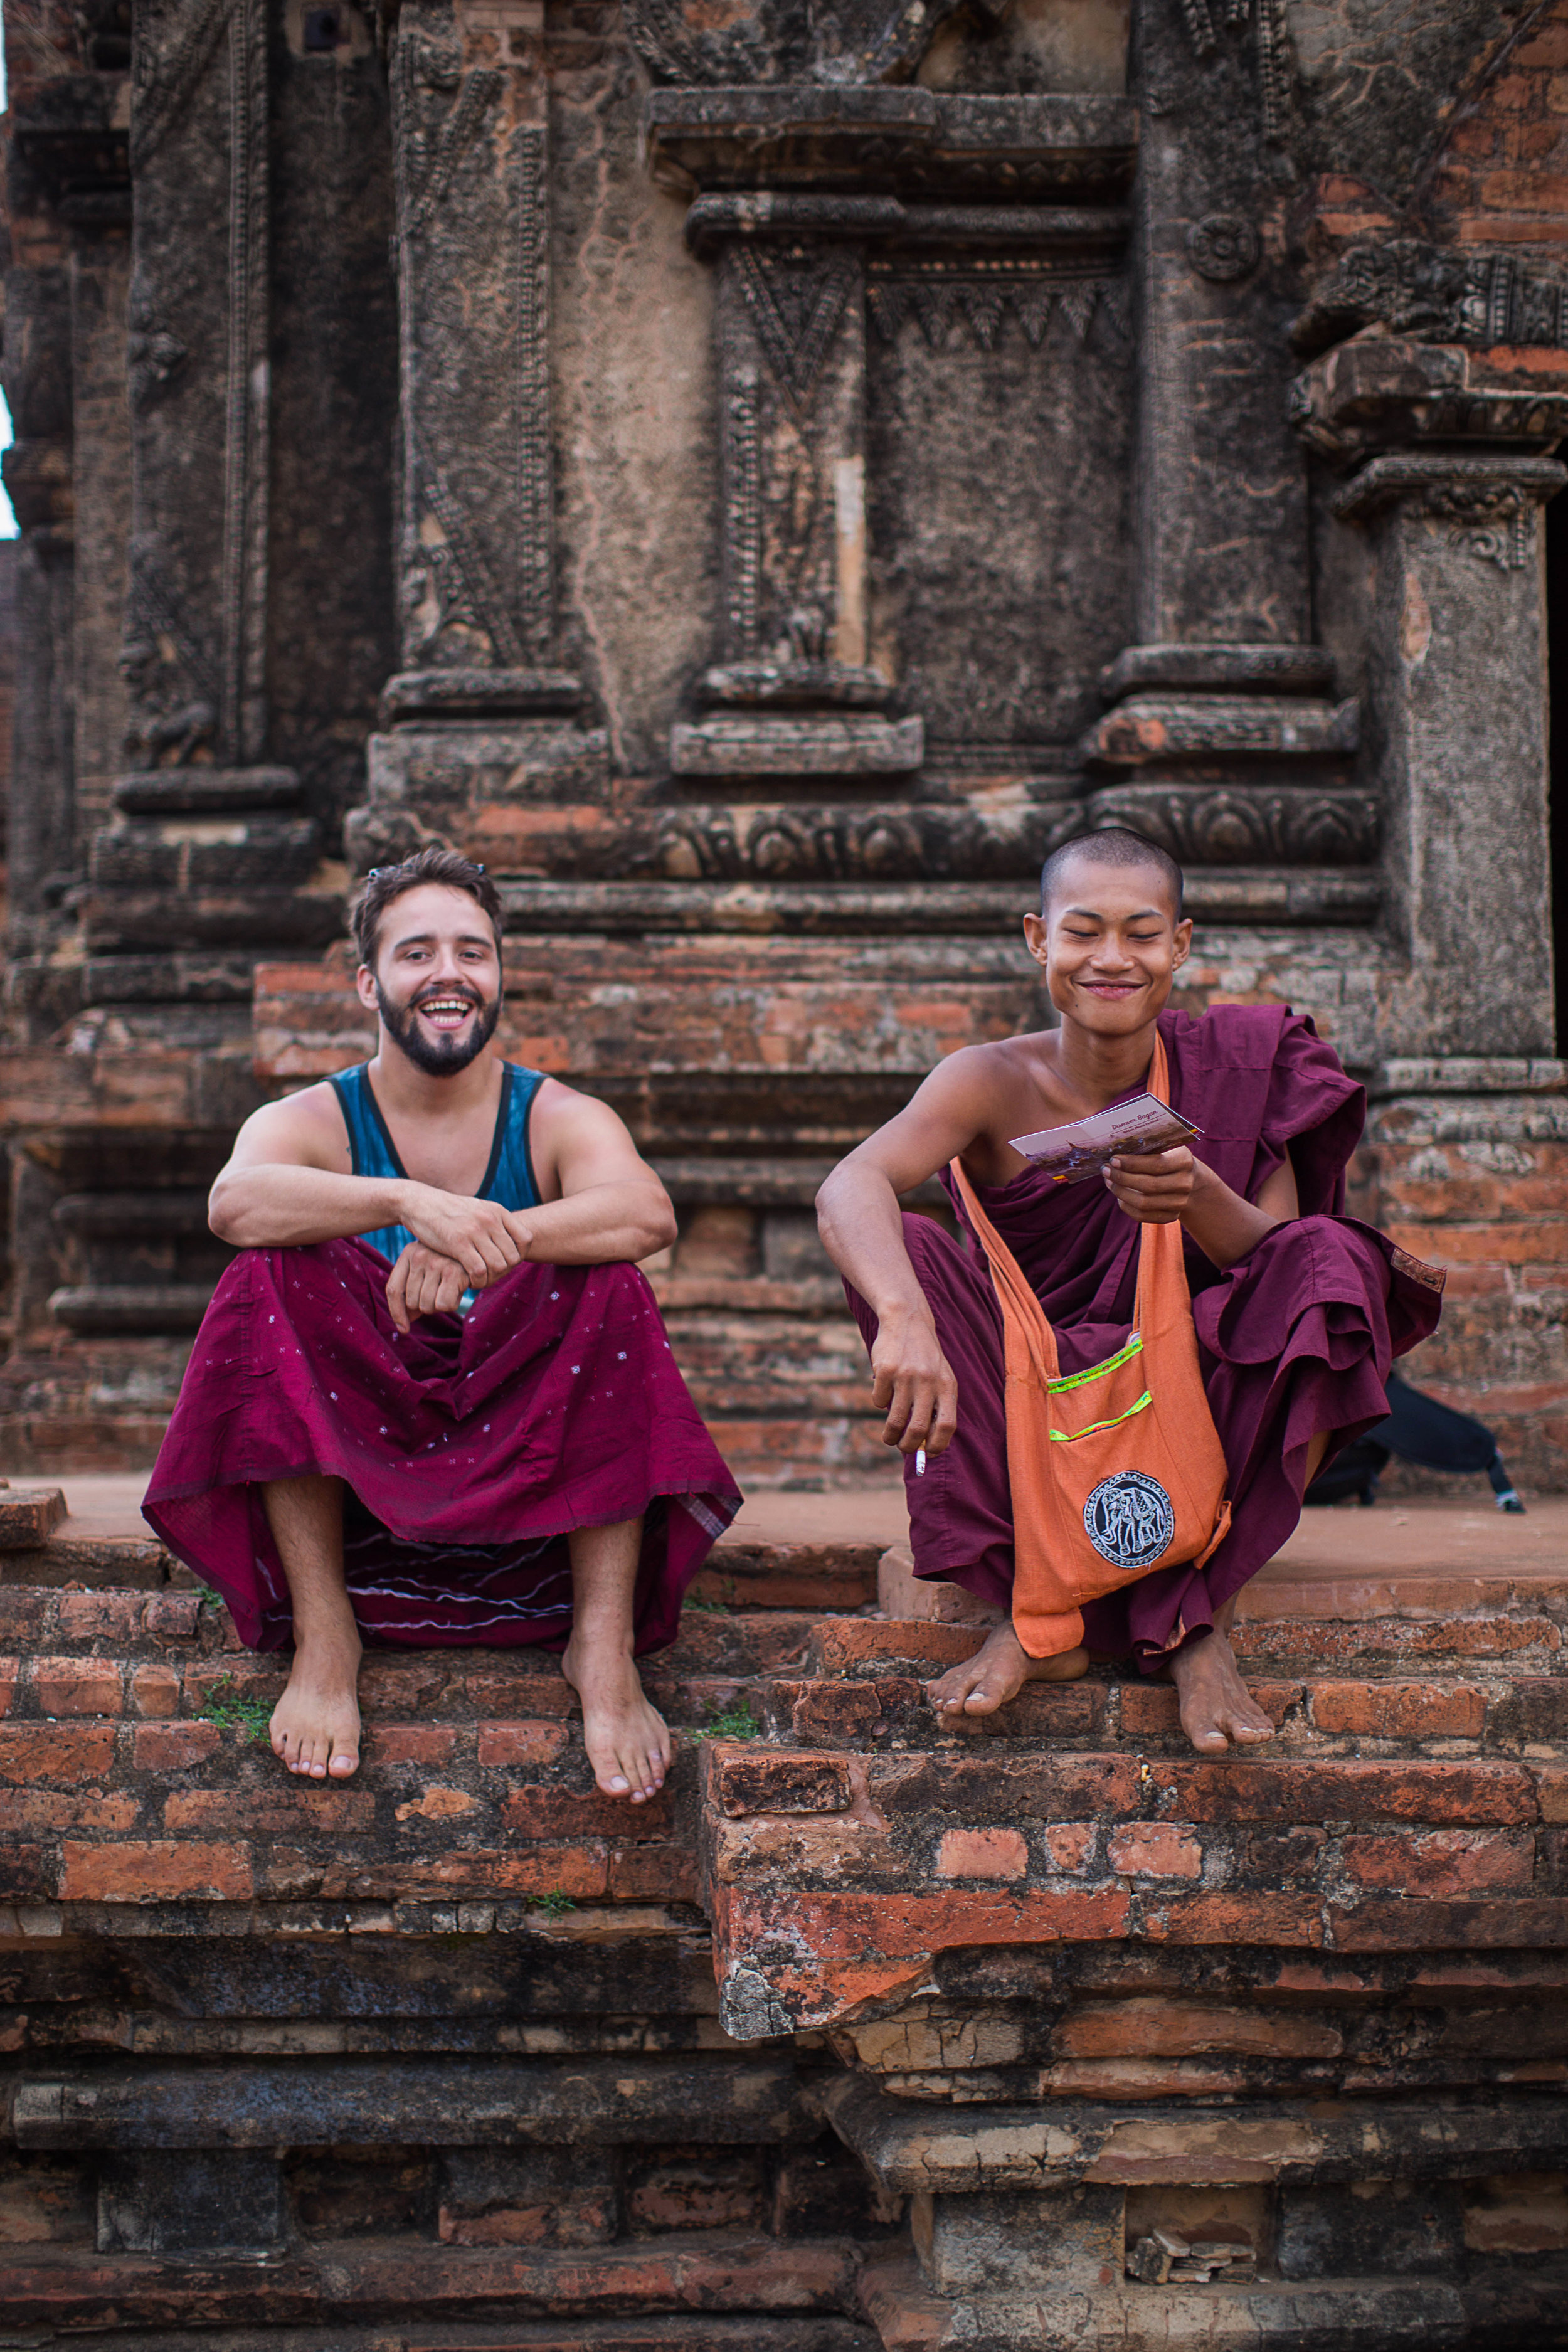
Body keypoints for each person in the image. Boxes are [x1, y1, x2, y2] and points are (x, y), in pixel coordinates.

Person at [816, 829, 1444, 1756]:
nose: (1112, 959)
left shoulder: (1239, 1062)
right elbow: (850, 1182)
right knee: (904, 1243)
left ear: (1180, 946)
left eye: (1142, 934)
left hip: (1182, 1390)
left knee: (1330, 1261)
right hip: (1026, 1388)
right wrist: (905, 1318)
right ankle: (1036, 1609)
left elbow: (1277, 1263)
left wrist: (1200, 1200)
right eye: (1084, 932)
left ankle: (1198, 1619)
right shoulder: (989, 1079)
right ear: (1039, 940)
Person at [143, 849, 741, 1802]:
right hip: (363, 1455)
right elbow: (235, 1203)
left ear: (499, 975)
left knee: (608, 1282)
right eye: (417, 952)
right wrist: (408, 1203)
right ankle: (327, 1631)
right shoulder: (320, 1115)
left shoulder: (549, 1112)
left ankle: (600, 1642)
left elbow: (647, 1213)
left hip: (524, 1450)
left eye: (473, 950)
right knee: (271, 1270)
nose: (449, 973)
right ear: (369, 981)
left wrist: (487, 1241)